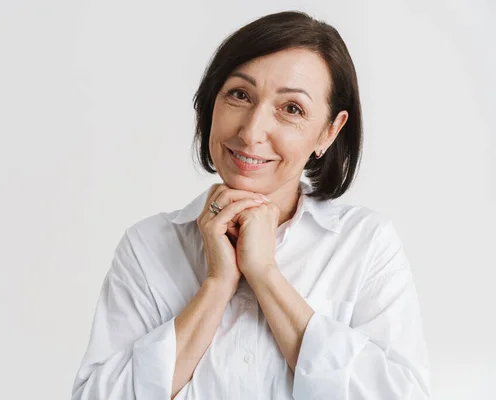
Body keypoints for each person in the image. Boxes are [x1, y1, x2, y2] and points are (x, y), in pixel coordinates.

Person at [71, 10, 430, 400]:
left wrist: (264, 274)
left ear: (329, 131)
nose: (252, 131)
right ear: (211, 103)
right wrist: (216, 285)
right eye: (240, 95)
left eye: (291, 109)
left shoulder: (365, 243)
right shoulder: (147, 246)